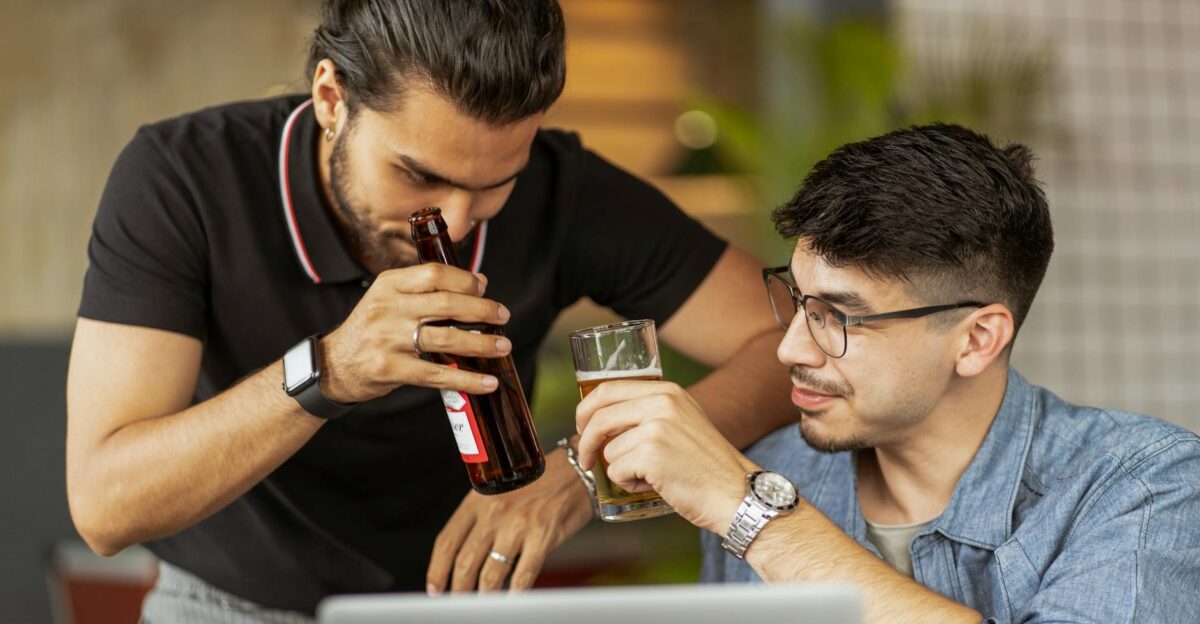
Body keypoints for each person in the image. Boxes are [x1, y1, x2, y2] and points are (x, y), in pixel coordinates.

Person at [65, 0, 793, 619]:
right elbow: (105, 507)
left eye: (495, 183)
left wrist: (579, 475)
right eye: (418, 174)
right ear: (330, 98)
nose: (457, 219)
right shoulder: (183, 178)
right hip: (226, 602)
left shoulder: (560, 190)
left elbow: (786, 342)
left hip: (458, 604)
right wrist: (329, 369)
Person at [576, 124, 1200, 623]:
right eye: (796, 300)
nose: (791, 347)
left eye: (839, 316)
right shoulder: (774, 471)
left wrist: (752, 513)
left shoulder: (1145, 488)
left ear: (977, 339)